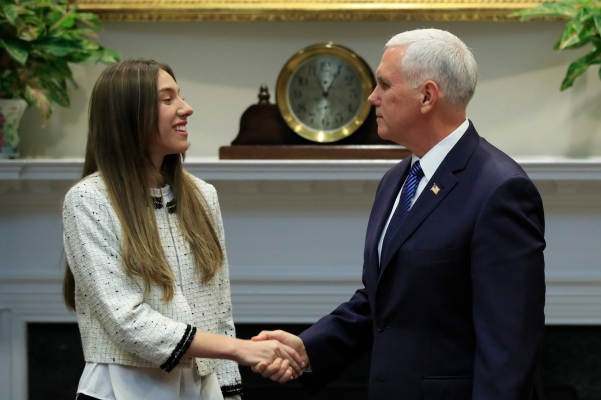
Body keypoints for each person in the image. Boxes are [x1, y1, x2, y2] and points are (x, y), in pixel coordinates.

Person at [252, 29, 546, 399]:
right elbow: (384, 301)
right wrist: (307, 348)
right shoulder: (397, 179)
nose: (372, 97)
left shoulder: (499, 189)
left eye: (384, 86)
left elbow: (510, 347)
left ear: (427, 96)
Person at [62, 59, 302, 400]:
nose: (186, 109)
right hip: (120, 389)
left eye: (181, 96)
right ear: (129, 113)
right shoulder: (88, 200)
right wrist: (237, 349)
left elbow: (220, 312)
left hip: (203, 390)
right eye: (167, 99)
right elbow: (125, 320)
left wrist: (231, 388)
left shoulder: (204, 196)